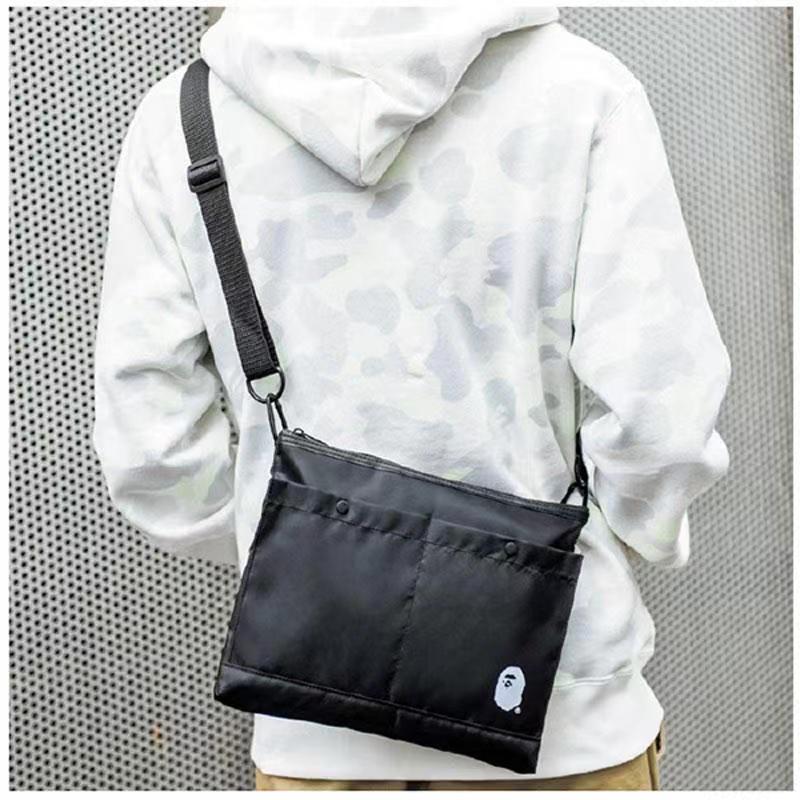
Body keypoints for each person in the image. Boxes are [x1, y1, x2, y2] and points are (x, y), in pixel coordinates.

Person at [93, 7, 729, 791]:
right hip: (564, 717)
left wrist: (308, 558)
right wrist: (598, 551)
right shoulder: (584, 91)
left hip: (314, 727)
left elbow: (152, 448)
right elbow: (662, 421)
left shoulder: (183, 117)